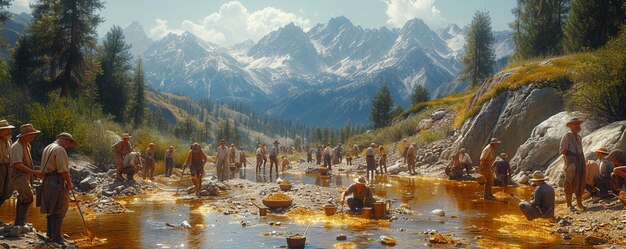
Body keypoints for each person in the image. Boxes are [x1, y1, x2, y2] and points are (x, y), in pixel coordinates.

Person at [40, 133, 77, 245]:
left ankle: (50, 234)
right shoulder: (60, 150)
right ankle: (57, 238)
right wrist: (69, 183)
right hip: (56, 181)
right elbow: (63, 170)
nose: (68, 145)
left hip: (47, 181)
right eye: (69, 142)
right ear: (64, 140)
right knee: (60, 209)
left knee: (51, 208)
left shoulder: (48, 147)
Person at [11, 124, 43, 226]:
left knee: (24, 197)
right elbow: (17, 164)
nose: (33, 136)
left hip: (26, 174)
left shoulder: (27, 145)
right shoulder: (16, 146)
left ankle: (19, 222)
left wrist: (34, 173)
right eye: (31, 134)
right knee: (28, 196)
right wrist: (34, 173)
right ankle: (20, 222)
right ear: (23, 136)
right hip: (18, 174)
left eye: (33, 134)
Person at [560, 118, 586, 211]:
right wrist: (569, 159)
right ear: (570, 126)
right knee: (570, 181)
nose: (577, 126)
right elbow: (562, 150)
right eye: (575, 124)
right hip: (571, 160)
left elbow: (581, 149)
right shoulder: (567, 135)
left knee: (581, 181)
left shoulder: (579, 137)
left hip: (580, 159)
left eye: (578, 124)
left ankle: (579, 204)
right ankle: (569, 205)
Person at [0, 120, 14, 214]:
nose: (9, 132)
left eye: (9, 130)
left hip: (8, 168)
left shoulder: (9, 141)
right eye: (6, 130)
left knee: (6, 194)